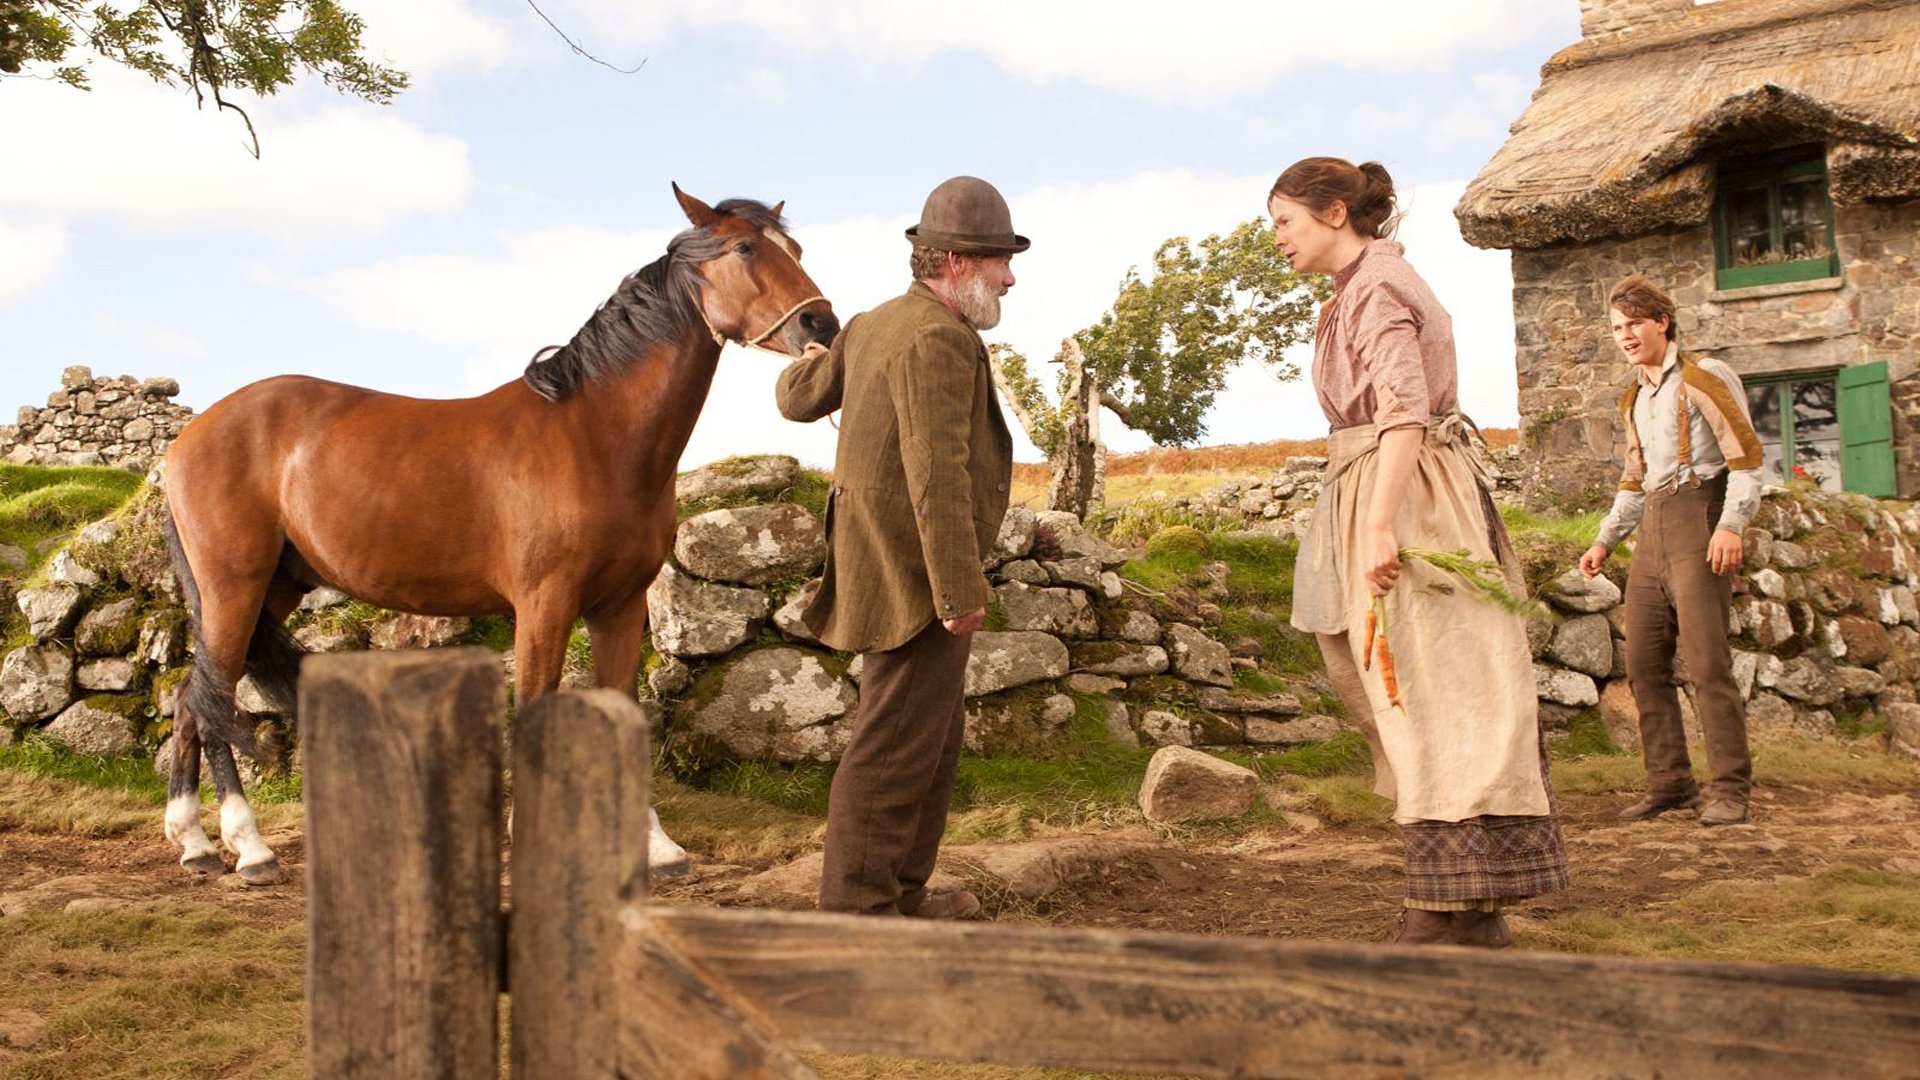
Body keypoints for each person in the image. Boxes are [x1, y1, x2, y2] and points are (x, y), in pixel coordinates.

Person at [1278, 156, 1569, 947]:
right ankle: (1456, 902)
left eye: (1285, 222)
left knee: (1434, 688)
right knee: (1414, 692)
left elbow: (1405, 411)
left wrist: (1379, 526)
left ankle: (1453, 909)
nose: (1278, 239)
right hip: (1380, 485)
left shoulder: (1376, 287)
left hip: (1410, 503)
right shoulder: (1357, 291)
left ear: (1335, 212)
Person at [774, 176, 1022, 918]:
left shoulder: (875, 324)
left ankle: (900, 893)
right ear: (952, 263)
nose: (1010, 276)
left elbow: (797, 399)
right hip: (913, 571)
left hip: (883, 557)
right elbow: (935, 472)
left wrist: (808, 352)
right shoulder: (939, 338)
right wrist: (956, 591)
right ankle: (858, 914)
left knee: (929, 743)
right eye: (997, 261)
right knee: (891, 749)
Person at [1579, 275, 1761, 827]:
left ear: (1661, 321)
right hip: (1652, 530)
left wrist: (1730, 526)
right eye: (1616, 327)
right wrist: (1606, 539)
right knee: (1644, 665)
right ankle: (1670, 783)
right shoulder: (1632, 396)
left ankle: (1730, 789)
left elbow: (1747, 460)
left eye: (1634, 323)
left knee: (1707, 663)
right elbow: (1635, 479)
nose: (1625, 335)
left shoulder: (1705, 376)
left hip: (1699, 518)